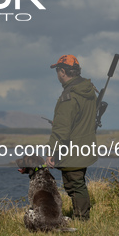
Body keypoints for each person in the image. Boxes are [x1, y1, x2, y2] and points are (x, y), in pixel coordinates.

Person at [45, 54, 97, 221]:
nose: (57, 75)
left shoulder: (70, 96)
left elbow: (61, 129)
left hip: (72, 148)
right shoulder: (88, 90)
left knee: (75, 185)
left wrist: (51, 151)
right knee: (76, 184)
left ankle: (82, 219)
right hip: (85, 145)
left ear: (62, 71)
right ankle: (80, 217)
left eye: (57, 71)